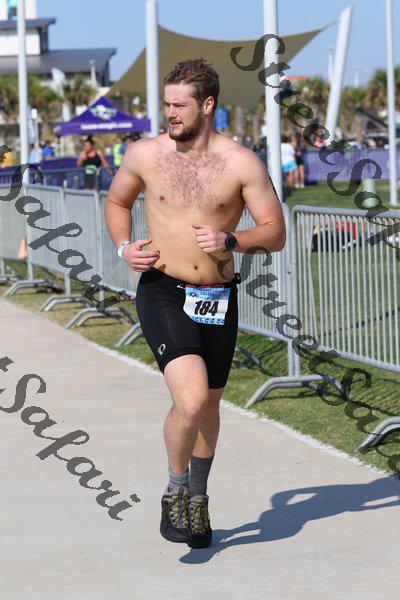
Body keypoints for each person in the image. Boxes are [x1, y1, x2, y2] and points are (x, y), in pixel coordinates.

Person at [105, 58, 286, 549]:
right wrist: (124, 247)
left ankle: (199, 498)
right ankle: (175, 490)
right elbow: (117, 202)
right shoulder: (144, 154)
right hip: (163, 288)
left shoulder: (241, 163)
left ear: (207, 105)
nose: (170, 113)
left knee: (208, 405)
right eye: (166, 104)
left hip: (217, 296)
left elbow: (275, 233)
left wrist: (233, 240)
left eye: (179, 105)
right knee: (190, 399)